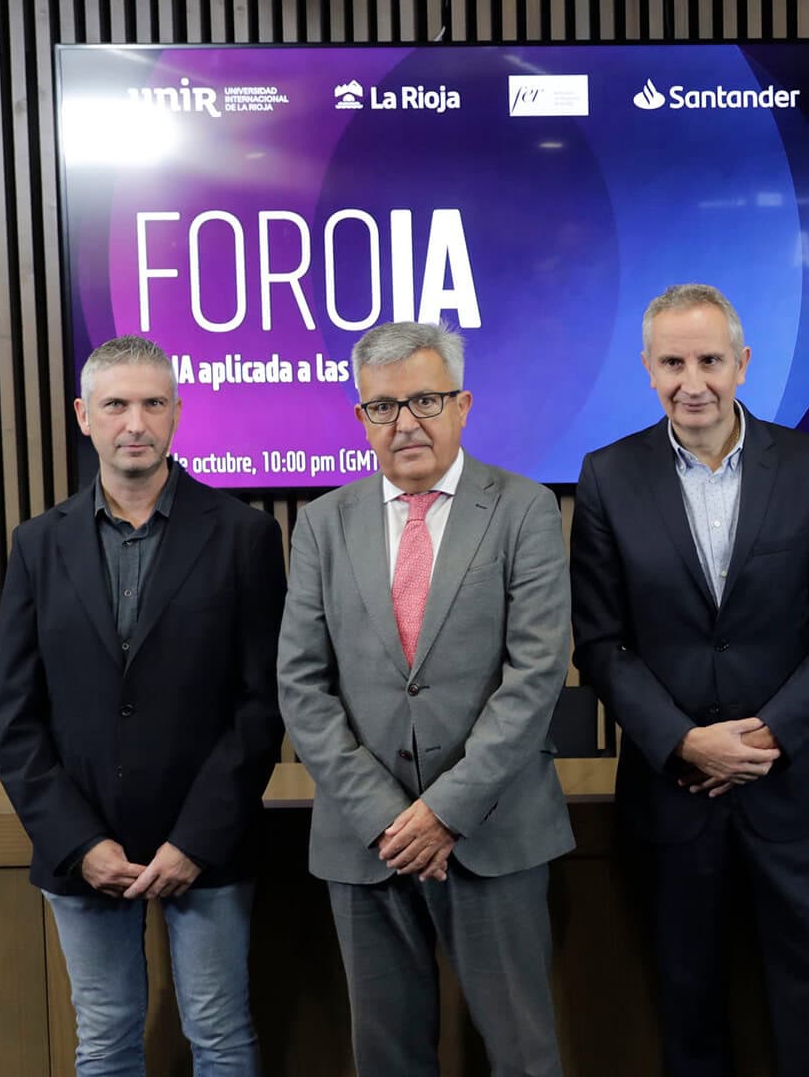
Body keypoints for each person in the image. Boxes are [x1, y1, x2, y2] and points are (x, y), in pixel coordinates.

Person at [570, 283, 809, 1076]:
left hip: (792, 788)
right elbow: (601, 643)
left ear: (743, 363)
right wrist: (684, 742)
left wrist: (774, 730)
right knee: (690, 1013)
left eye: (709, 359)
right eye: (672, 362)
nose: (691, 380)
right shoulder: (607, 476)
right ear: (646, 368)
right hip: (674, 796)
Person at [276, 320, 573, 1076]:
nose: (405, 423)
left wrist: (445, 812)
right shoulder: (321, 524)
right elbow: (302, 685)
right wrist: (387, 817)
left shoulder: (524, 509)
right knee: (386, 1058)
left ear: (464, 405)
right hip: (363, 842)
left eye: (426, 400)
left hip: (494, 833)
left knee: (523, 1054)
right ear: (360, 418)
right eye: (383, 407)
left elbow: (535, 675)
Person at [0, 334, 285, 1075]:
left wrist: (195, 840)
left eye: (153, 403)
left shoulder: (244, 535)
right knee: (106, 1038)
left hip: (207, 842)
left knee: (219, 1033)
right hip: (83, 845)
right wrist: (78, 843)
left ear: (178, 413)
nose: (135, 422)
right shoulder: (36, 544)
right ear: (83, 416)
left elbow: (261, 706)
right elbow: (17, 719)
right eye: (116, 404)